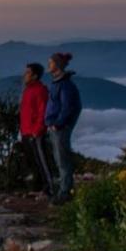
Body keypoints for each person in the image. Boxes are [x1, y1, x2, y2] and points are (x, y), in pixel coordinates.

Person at [45, 52, 83, 203]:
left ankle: (65, 192)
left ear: (58, 65)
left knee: (62, 159)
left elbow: (68, 107)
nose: (49, 65)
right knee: (59, 158)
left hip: (59, 127)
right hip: (55, 126)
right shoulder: (58, 83)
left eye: (51, 62)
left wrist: (59, 123)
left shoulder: (65, 86)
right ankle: (62, 190)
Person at [20, 62, 53, 197]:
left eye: (28, 73)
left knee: (42, 160)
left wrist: (38, 130)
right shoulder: (28, 90)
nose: (24, 75)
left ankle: (49, 189)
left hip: (35, 132)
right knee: (33, 161)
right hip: (26, 131)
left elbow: (42, 112)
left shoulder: (40, 90)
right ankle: (39, 188)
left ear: (35, 76)